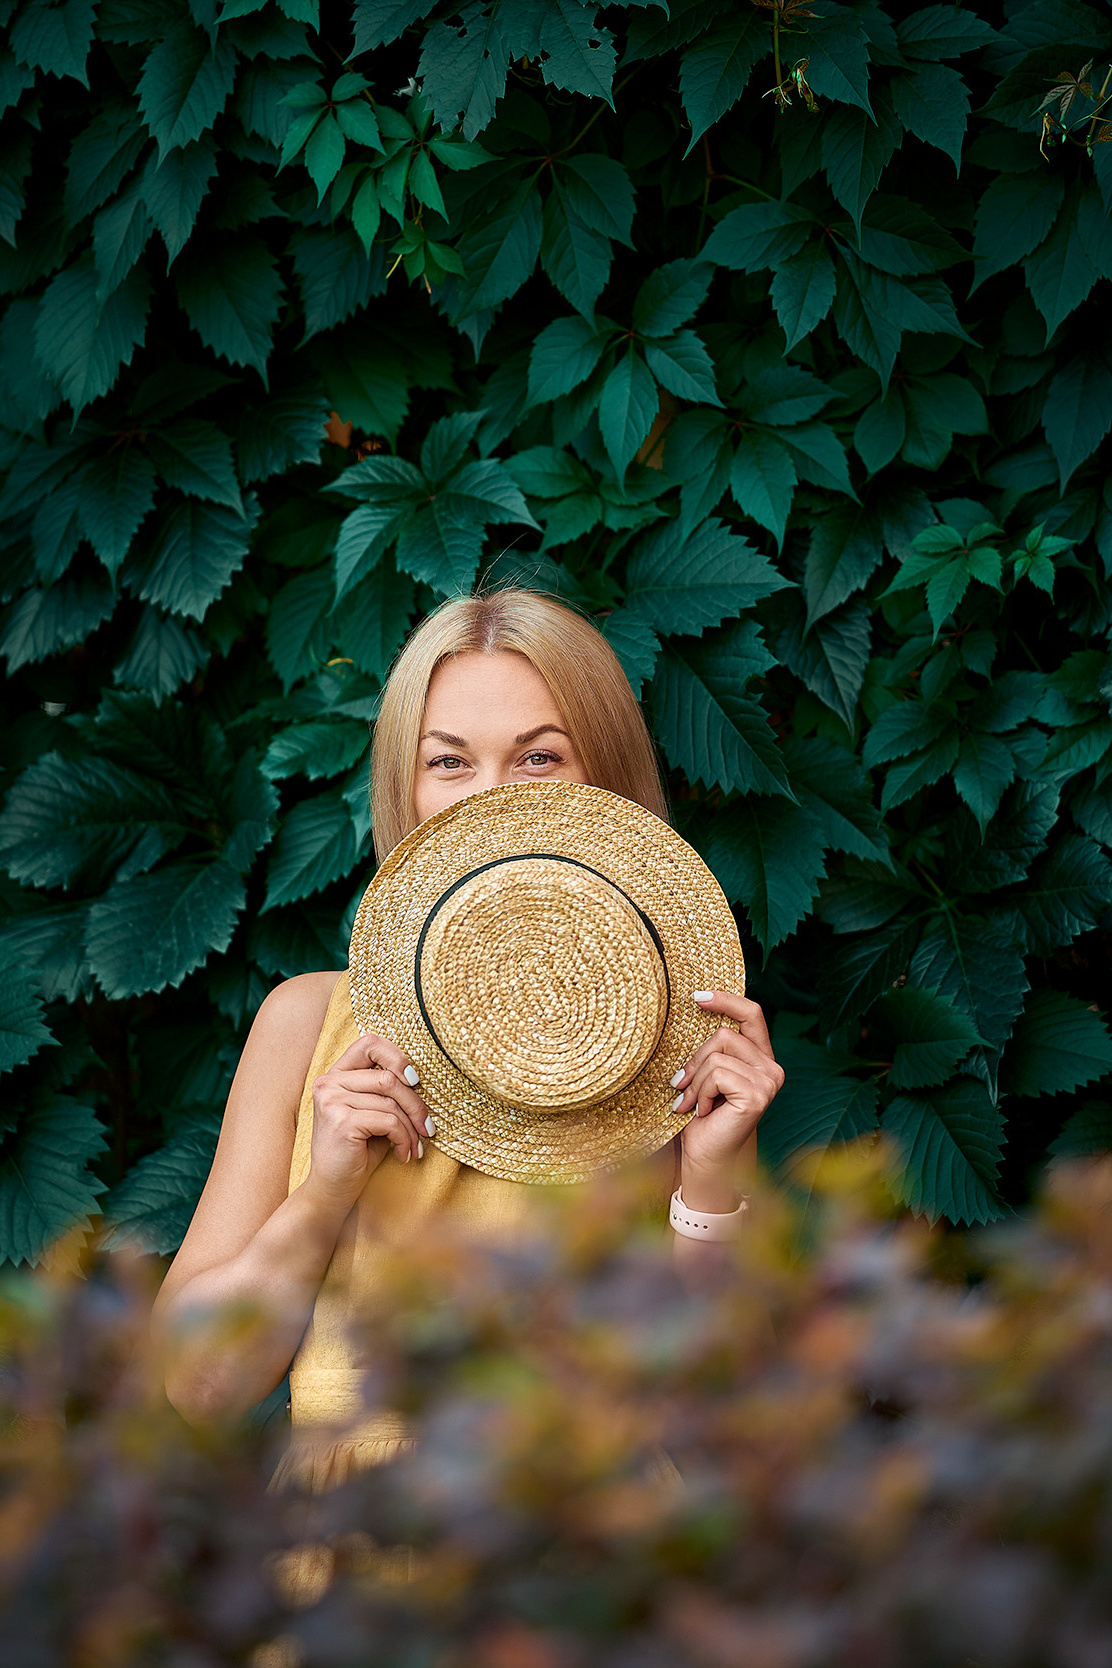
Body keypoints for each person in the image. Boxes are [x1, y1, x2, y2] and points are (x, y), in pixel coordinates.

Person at [153, 589, 785, 1472]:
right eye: (449, 763)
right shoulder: (307, 1025)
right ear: (405, 790)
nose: (490, 801)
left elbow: (734, 1423)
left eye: (538, 760)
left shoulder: (674, 1047)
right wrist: (324, 1196)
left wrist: (712, 1177)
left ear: (606, 782)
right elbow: (198, 1389)